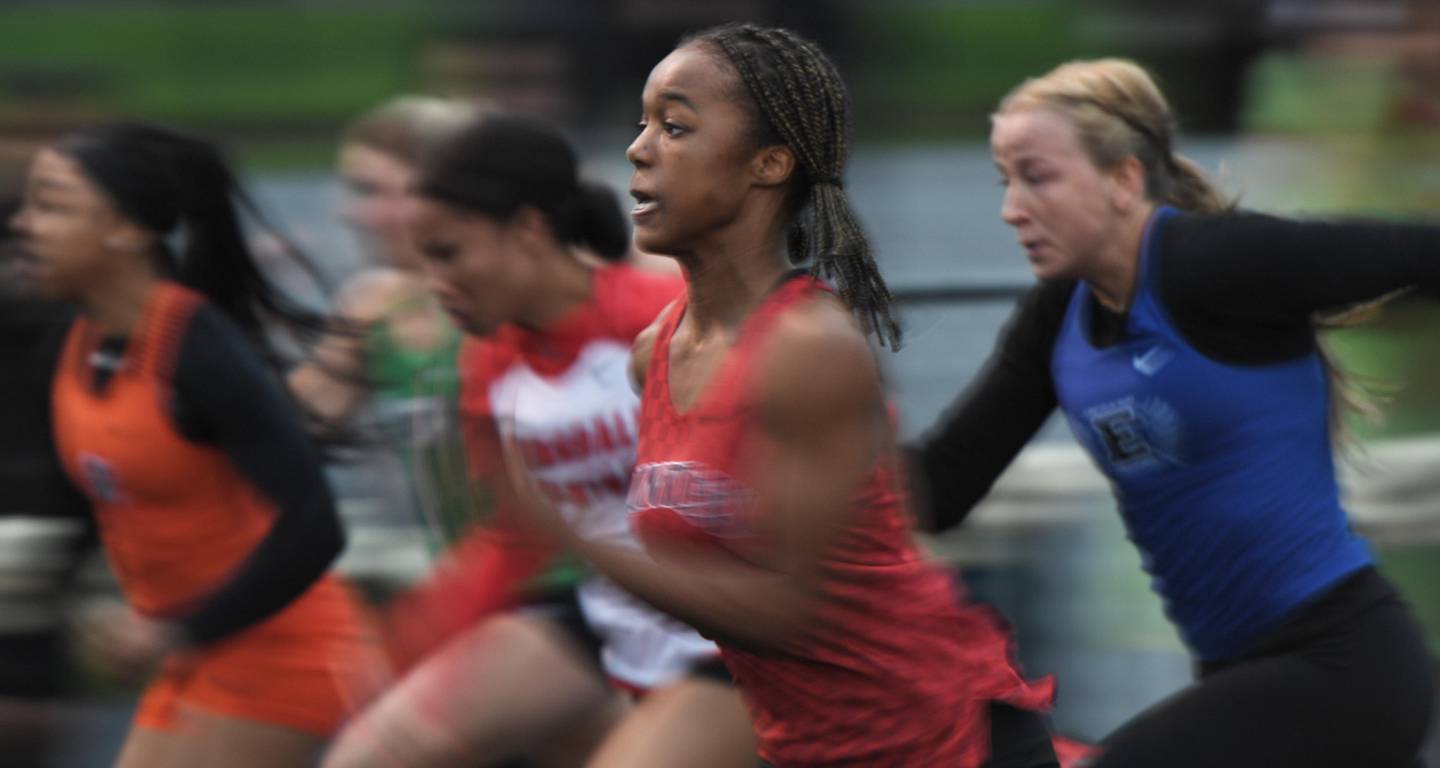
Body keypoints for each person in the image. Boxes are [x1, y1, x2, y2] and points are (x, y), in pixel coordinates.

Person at [507, 23, 1058, 768]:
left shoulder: (809, 349)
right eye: (642, 125)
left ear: (769, 164)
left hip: (942, 742)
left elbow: (787, 612)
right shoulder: (655, 354)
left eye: (674, 127)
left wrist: (579, 537)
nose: (639, 149)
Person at [910, 58, 1437, 767]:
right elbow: (941, 489)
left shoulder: (1211, 262)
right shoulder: (1059, 314)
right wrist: (791, 436)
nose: (1012, 208)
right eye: (1005, 182)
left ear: (1125, 179)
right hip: (1236, 677)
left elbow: (1416, 255)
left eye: (1037, 177)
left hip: (1339, 666)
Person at [321, 114, 754, 768]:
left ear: (526, 230)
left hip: (738, 621)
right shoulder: (487, 367)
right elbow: (512, 540)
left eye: (448, 255)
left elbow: (811, 465)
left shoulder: (664, 318)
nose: (433, 285)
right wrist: (414, 640)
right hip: (604, 610)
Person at [9, 122, 378, 768]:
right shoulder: (69, 346)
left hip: (280, 660)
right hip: (193, 658)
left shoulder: (200, 353)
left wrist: (179, 628)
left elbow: (316, 526)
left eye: (54, 206)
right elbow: (81, 505)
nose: (24, 224)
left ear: (128, 230)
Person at [288, 96, 476, 544]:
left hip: (597, 589)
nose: (347, 214)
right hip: (469, 587)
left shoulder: (547, 293)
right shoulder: (374, 307)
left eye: (369, 191)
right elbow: (278, 436)